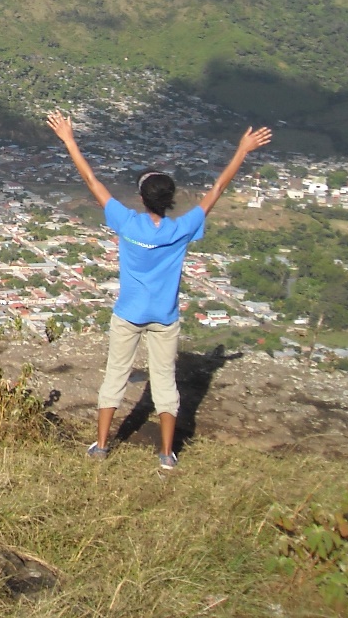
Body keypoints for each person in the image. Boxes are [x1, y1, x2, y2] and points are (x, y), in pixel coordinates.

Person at [46, 112, 272, 469]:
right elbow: (217, 190)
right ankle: (167, 455)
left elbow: (90, 180)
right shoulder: (181, 229)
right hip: (164, 318)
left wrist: (69, 140)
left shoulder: (127, 222)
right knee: (165, 384)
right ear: (170, 201)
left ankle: (101, 446)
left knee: (115, 377)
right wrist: (242, 151)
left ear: (141, 197)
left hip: (129, 314)